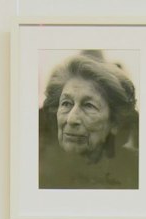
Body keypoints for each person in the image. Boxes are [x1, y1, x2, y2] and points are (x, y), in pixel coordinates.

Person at [38, 51, 139, 190]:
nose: (71, 119)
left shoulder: (136, 171)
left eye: (88, 105)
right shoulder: (36, 168)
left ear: (115, 122)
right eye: (66, 103)